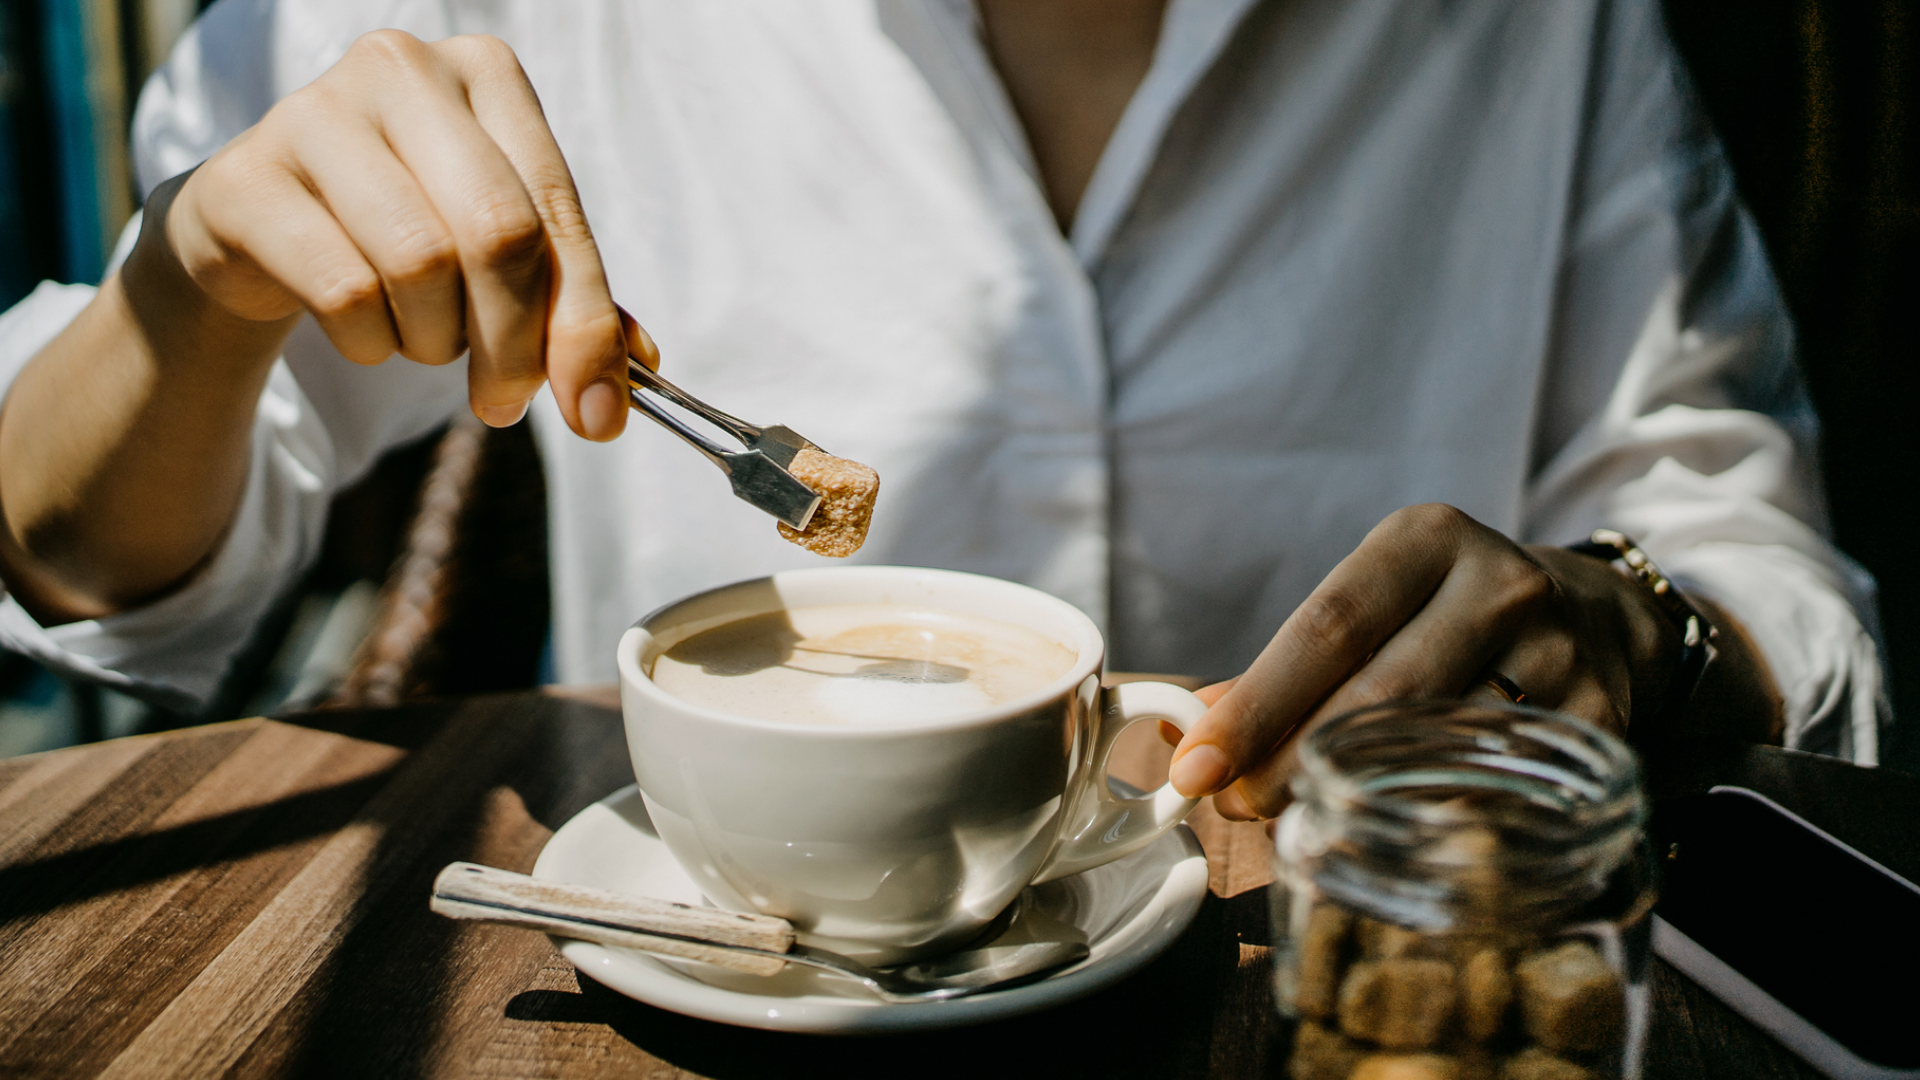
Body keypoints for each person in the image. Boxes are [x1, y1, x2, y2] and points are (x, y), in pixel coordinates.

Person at [0, 0, 1887, 821]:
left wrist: (1644, 626)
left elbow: (1776, 597)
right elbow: (83, 559)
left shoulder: (1535, 29)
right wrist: (193, 294)